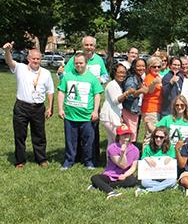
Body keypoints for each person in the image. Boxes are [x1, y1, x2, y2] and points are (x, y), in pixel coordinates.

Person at [57, 36, 109, 165]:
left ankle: (92, 158)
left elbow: (106, 75)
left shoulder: (99, 60)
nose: (89, 47)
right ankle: (75, 157)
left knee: (91, 134)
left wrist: (99, 81)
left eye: (91, 45)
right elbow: (65, 76)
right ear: (83, 46)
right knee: (74, 134)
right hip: (75, 103)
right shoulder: (75, 59)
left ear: (94, 46)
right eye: (86, 45)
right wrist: (60, 73)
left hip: (91, 101)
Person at [3, 42, 54, 168]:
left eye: (38, 58)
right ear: (28, 59)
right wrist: (8, 51)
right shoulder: (20, 68)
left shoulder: (46, 73)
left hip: (38, 108)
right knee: (20, 135)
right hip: (22, 107)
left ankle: (41, 159)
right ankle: (20, 161)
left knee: (39, 135)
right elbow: (9, 62)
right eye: (33, 58)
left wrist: (50, 107)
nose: (35, 61)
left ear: (40, 59)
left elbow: (50, 91)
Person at [89, 124, 139, 199]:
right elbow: (123, 165)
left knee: (133, 181)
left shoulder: (135, 150)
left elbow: (133, 167)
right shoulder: (112, 148)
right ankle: (110, 192)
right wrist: (123, 153)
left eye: (128, 134)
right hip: (111, 175)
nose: (126, 136)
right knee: (95, 177)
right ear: (119, 136)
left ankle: (99, 186)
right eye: (123, 134)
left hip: (125, 175)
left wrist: (125, 175)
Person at [100, 64, 135, 145]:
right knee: (119, 140)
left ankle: (110, 157)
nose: (122, 74)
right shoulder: (112, 85)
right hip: (109, 117)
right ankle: (117, 156)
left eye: (124, 72)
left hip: (114, 116)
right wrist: (127, 93)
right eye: (120, 72)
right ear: (114, 73)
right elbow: (116, 101)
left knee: (112, 141)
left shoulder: (118, 85)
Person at [135, 127, 177, 196]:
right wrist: (146, 159)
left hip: (165, 176)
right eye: (156, 136)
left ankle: (147, 190)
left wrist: (170, 158)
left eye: (161, 137)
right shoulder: (148, 148)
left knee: (173, 181)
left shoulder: (170, 148)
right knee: (144, 182)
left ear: (165, 138)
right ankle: (165, 187)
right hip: (151, 176)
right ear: (153, 137)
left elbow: (173, 160)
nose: (158, 139)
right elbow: (143, 160)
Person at [122, 58, 148, 143]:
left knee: (132, 134)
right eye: (139, 66)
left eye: (143, 66)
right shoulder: (132, 79)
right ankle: (129, 154)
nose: (141, 68)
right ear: (134, 67)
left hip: (133, 111)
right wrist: (140, 91)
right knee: (129, 136)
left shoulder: (138, 77)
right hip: (129, 111)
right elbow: (128, 95)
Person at [142, 56, 163, 147]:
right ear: (149, 67)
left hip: (157, 108)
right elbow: (149, 91)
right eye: (154, 67)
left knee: (153, 134)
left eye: (159, 66)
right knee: (150, 134)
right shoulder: (149, 77)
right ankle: (145, 157)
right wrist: (154, 83)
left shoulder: (158, 76)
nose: (157, 68)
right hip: (150, 109)